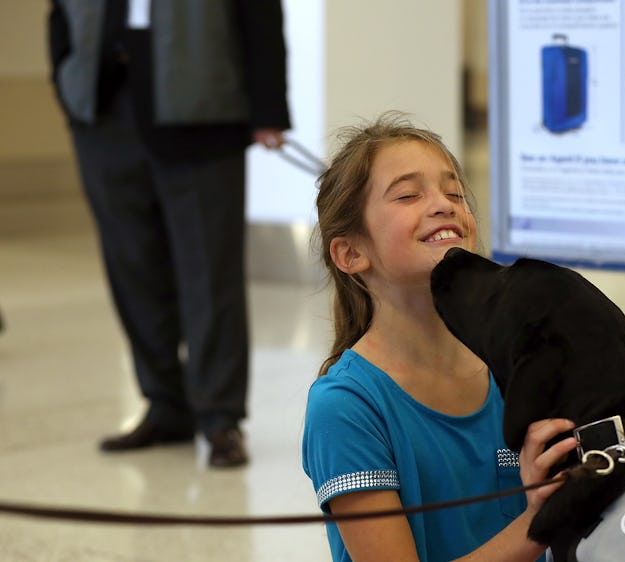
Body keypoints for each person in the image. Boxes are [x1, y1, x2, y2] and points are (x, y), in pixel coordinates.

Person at [302, 112, 577, 561]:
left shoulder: (521, 362)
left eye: (454, 192)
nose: (444, 204)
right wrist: (539, 520)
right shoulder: (345, 407)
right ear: (350, 253)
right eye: (409, 194)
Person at [47, 0, 291, 468]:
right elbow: (59, 14)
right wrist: (66, 82)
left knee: (210, 273)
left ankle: (219, 416)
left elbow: (258, 11)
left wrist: (268, 107)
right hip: (102, 110)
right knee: (131, 266)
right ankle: (165, 405)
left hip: (202, 108)